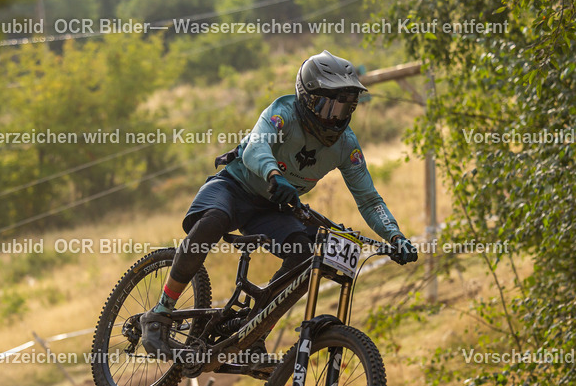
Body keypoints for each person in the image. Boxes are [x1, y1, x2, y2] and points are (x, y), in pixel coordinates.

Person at [141, 51, 418, 360]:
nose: (335, 118)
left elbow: (368, 199)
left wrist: (395, 236)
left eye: (345, 109)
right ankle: (160, 313)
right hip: (235, 187)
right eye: (329, 106)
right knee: (213, 221)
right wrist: (273, 174)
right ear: (307, 99)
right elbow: (256, 148)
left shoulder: (346, 145)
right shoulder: (282, 113)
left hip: (274, 208)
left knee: (303, 255)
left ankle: (253, 330)